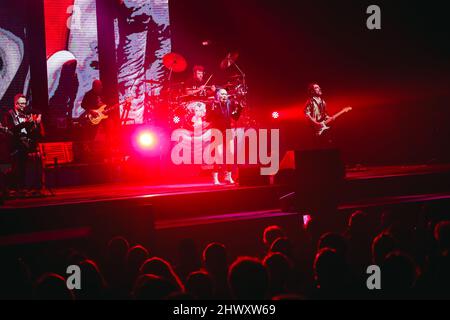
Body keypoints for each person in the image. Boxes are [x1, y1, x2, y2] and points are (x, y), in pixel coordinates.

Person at [2, 94, 43, 192]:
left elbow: (31, 132)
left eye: (24, 103)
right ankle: (15, 187)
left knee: (25, 167)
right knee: (17, 167)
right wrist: (26, 123)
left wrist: (35, 123)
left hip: (25, 145)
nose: (23, 106)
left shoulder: (26, 114)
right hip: (14, 145)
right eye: (21, 104)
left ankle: (25, 186)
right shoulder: (9, 115)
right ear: (15, 104)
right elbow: (12, 129)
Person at [206, 88, 244, 185]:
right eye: (222, 94)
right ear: (217, 95)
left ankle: (228, 176)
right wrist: (212, 108)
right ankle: (215, 176)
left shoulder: (229, 104)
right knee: (219, 155)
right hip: (217, 131)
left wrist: (240, 108)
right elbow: (207, 118)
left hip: (227, 131)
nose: (224, 96)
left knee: (230, 153)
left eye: (226, 94)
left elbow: (235, 117)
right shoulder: (212, 104)